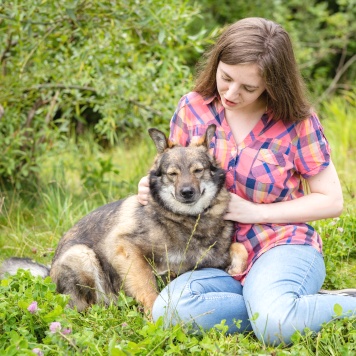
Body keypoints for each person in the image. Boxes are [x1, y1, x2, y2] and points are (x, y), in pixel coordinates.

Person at [137, 17, 356, 345]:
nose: (231, 93)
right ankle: (278, 305)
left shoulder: (297, 123)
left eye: (249, 87)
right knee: (168, 311)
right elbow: (173, 168)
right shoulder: (193, 108)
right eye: (225, 78)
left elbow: (331, 200)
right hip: (212, 253)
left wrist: (254, 212)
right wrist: (147, 188)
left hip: (279, 244)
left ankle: (283, 308)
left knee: (276, 324)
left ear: (273, 84)